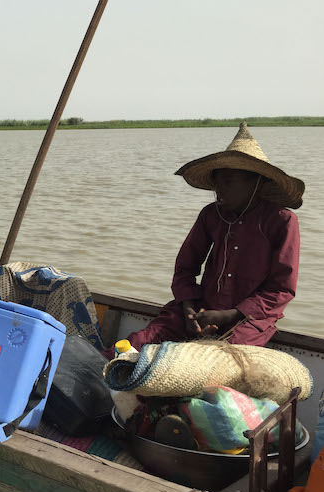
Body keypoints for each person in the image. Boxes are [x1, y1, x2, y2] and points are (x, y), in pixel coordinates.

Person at [123, 122, 304, 352]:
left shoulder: (282, 221)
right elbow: (185, 269)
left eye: (228, 182)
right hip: (201, 309)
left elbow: (281, 290)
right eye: (217, 182)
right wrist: (189, 309)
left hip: (249, 319)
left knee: (217, 357)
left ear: (256, 183)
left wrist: (229, 315)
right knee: (141, 341)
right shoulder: (211, 215)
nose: (219, 189)